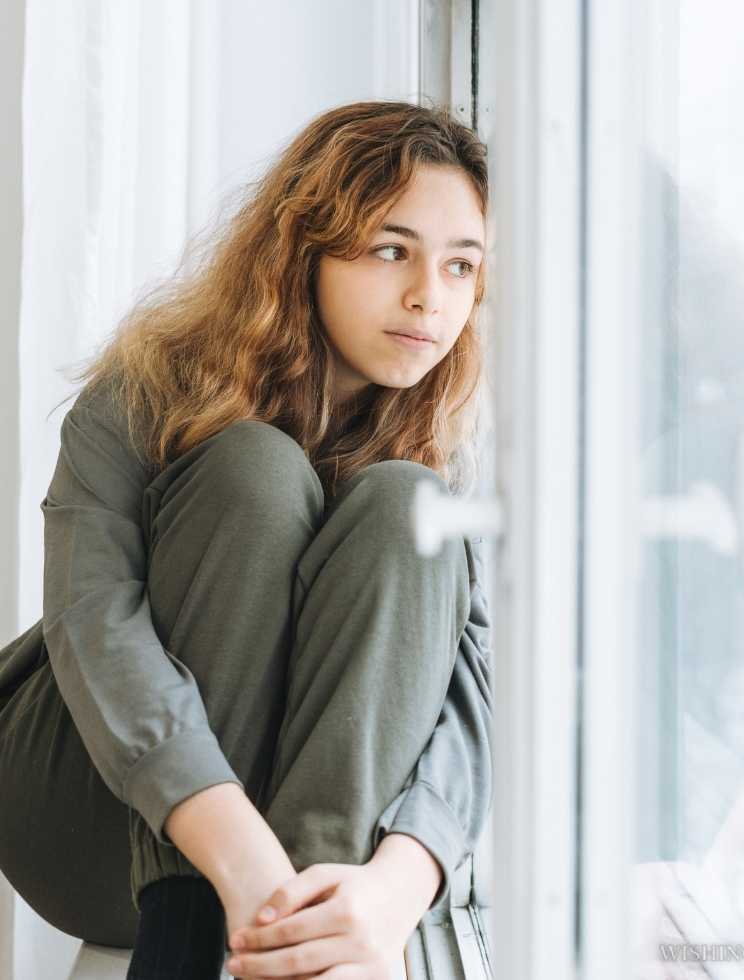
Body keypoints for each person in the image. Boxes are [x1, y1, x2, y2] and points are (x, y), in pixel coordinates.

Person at [0, 99, 494, 980]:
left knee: (405, 507)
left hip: (309, 839)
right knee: (253, 473)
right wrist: (243, 857)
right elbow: (92, 625)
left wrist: (393, 887)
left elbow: (468, 699)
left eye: (462, 267)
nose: (431, 296)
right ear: (308, 245)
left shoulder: (444, 445)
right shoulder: (150, 386)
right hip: (85, 807)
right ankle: (200, 934)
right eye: (393, 250)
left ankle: (306, 950)